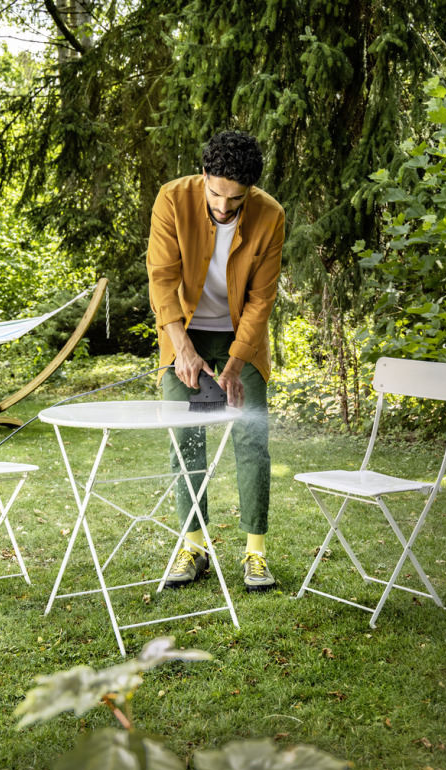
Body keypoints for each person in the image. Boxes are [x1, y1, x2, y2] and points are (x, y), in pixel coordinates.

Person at [146, 130, 284, 592]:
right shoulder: (172, 199)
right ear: (204, 175)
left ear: (251, 190)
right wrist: (181, 347)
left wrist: (235, 362)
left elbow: (261, 301)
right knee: (185, 439)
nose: (224, 208)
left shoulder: (271, 216)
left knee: (251, 438)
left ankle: (255, 553)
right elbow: (161, 279)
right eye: (217, 194)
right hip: (181, 331)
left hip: (242, 338)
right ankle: (194, 547)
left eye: (236, 199)